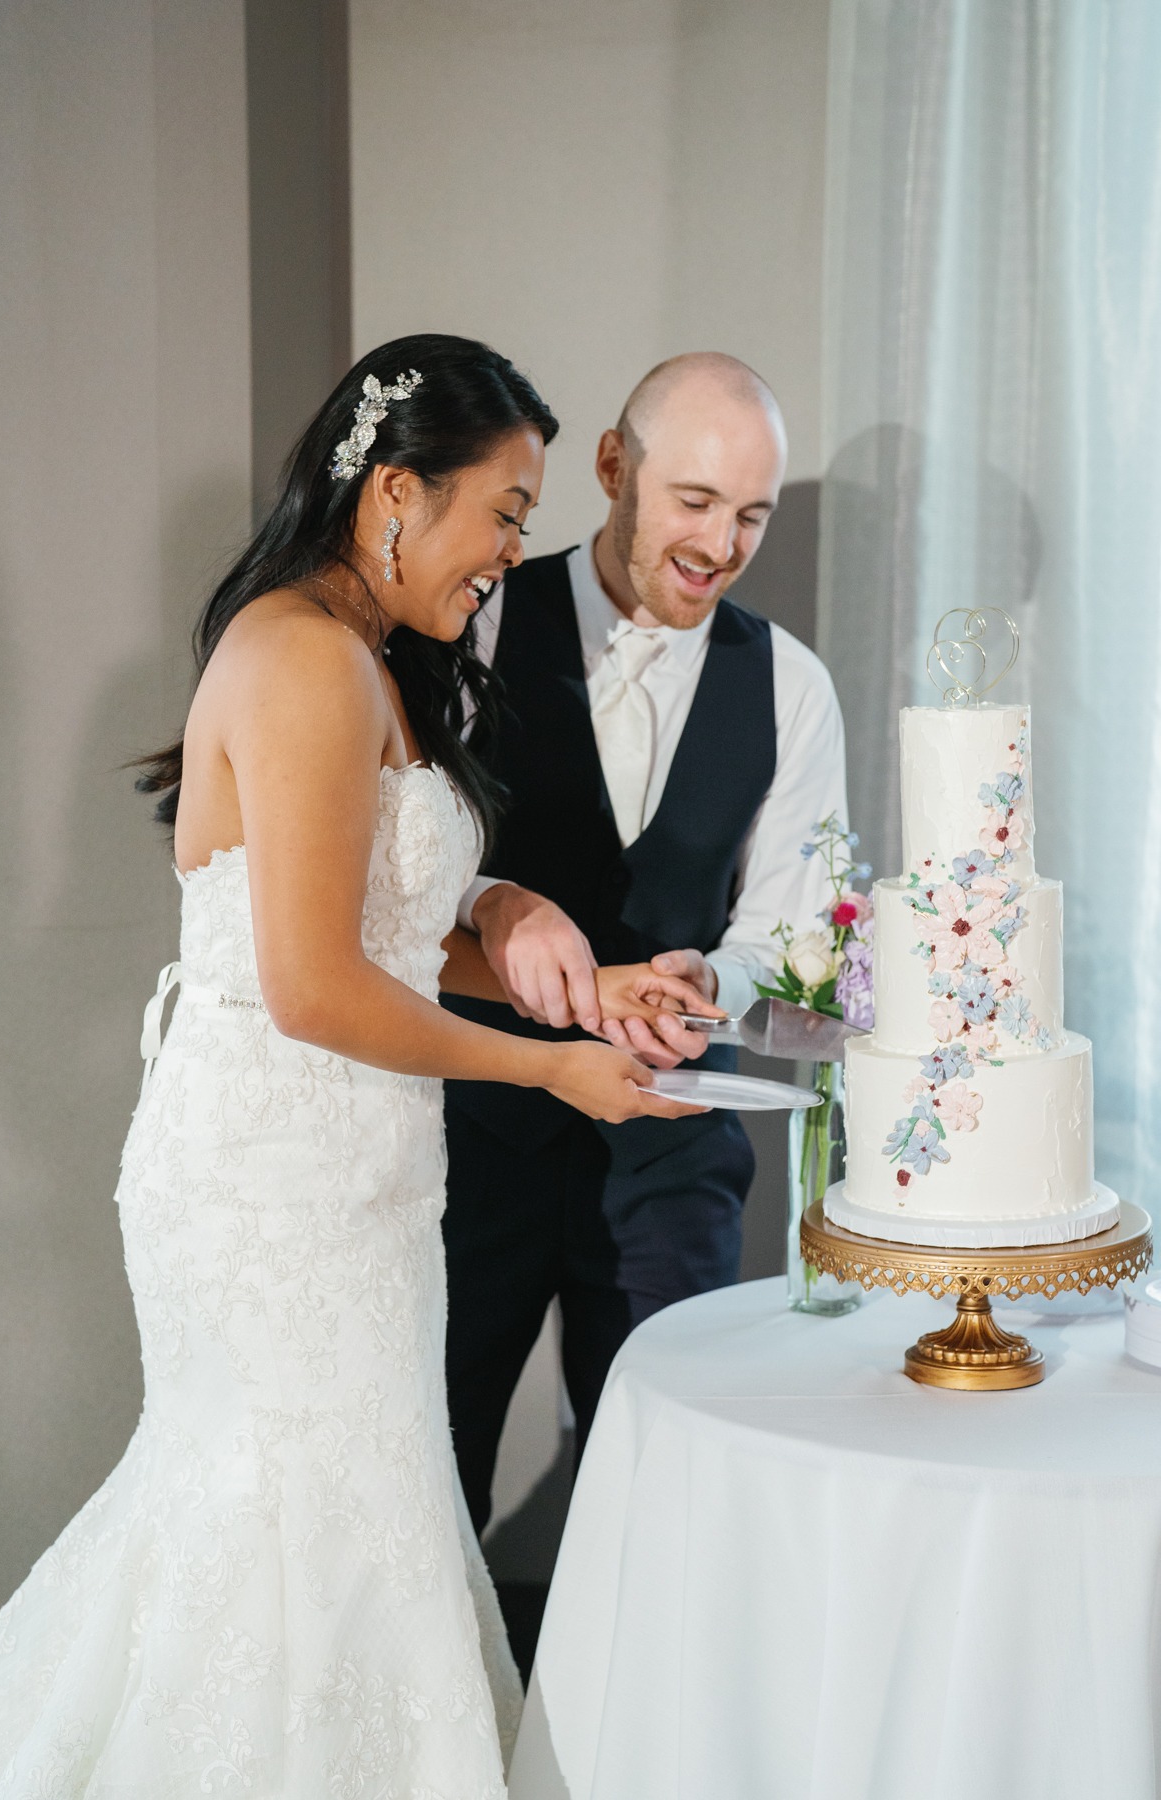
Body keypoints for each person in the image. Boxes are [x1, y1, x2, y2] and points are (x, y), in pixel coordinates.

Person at [0, 335, 716, 1800]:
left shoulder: (364, 657)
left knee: (361, 1529)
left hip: (353, 1178)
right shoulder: (300, 656)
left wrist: (570, 975)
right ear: (394, 495)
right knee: (274, 1531)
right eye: (501, 509)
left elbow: (385, 933)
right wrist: (551, 1071)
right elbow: (310, 987)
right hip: (268, 1184)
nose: (514, 546)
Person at [442, 352, 849, 1535]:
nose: (722, 545)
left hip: (670, 1156)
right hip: (473, 1130)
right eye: (696, 502)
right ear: (615, 467)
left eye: (752, 515)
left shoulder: (791, 687)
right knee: (431, 1475)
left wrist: (713, 974)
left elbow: (796, 928)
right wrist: (496, 899)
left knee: (661, 1499)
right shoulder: (479, 621)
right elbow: (397, 868)